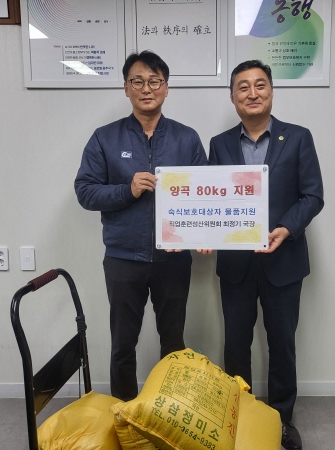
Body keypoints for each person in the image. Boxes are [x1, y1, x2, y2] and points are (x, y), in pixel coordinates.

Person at [74, 51, 207, 401]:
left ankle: (168, 413)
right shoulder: (105, 138)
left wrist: (203, 234)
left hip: (173, 258)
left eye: (154, 81)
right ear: (126, 88)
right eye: (138, 81)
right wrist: (127, 190)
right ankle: (124, 413)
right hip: (123, 259)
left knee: (174, 344)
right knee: (122, 345)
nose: (146, 89)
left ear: (166, 87)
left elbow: (205, 194)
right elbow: (85, 191)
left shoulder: (187, 138)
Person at [207, 60, 323, 450]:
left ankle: (281, 421)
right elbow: (212, 197)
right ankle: (241, 418)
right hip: (236, 264)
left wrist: (286, 228)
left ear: (271, 91)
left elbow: (313, 195)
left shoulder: (298, 138)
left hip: (283, 261)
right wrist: (204, 232)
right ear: (233, 97)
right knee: (235, 344)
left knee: (282, 345)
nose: (252, 93)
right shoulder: (220, 144)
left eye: (260, 85)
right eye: (243, 87)